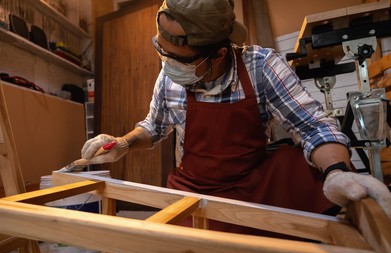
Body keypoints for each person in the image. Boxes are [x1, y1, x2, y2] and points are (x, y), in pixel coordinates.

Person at [81, 0, 391, 234]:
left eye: (178, 59)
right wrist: (122, 143)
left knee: (301, 174)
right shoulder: (168, 77)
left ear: (218, 54)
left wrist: (336, 171)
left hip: (254, 186)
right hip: (193, 189)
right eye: (163, 53)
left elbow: (313, 126)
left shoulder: (260, 66)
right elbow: (155, 126)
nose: (168, 65)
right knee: (163, 249)